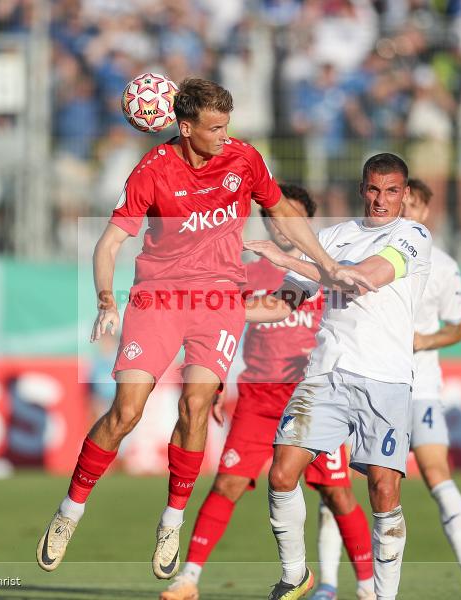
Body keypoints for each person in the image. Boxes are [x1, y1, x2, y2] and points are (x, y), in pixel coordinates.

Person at [35, 78, 369, 579]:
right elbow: (107, 244)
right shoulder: (152, 171)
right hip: (158, 298)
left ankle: (172, 520)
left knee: (195, 405)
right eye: (214, 128)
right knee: (126, 411)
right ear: (185, 127)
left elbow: (283, 212)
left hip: (218, 301)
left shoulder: (244, 159)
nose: (224, 135)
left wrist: (325, 264)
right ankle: (69, 513)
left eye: (227, 125)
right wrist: (106, 298)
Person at [161, 184, 375, 600]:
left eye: (290, 217)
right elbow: (220, 328)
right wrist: (215, 380)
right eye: (274, 217)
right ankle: (187, 579)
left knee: (337, 491)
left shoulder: (326, 270)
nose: (281, 225)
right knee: (227, 485)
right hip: (258, 399)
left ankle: (368, 589)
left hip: (312, 399)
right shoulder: (246, 273)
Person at [245, 153, 431, 600]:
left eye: (391, 191)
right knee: (282, 472)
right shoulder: (334, 237)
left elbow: (359, 280)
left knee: (384, 491)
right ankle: (295, 575)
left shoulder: (412, 235)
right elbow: (280, 303)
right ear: (361, 188)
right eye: (373, 189)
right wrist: (213, 315)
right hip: (327, 373)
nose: (381, 200)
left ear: (404, 195)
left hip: (385, 379)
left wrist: (280, 254)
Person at [310, 179, 461, 600]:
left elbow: (458, 327)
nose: (404, 209)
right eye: (399, 200)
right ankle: (327, 582)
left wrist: (423, 341)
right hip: (363, 376)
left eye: (411, 203)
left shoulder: (443, 265)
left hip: (420, 386)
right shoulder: (358, 248)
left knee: (436, 476)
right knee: (335, 480)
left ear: (424, 212)